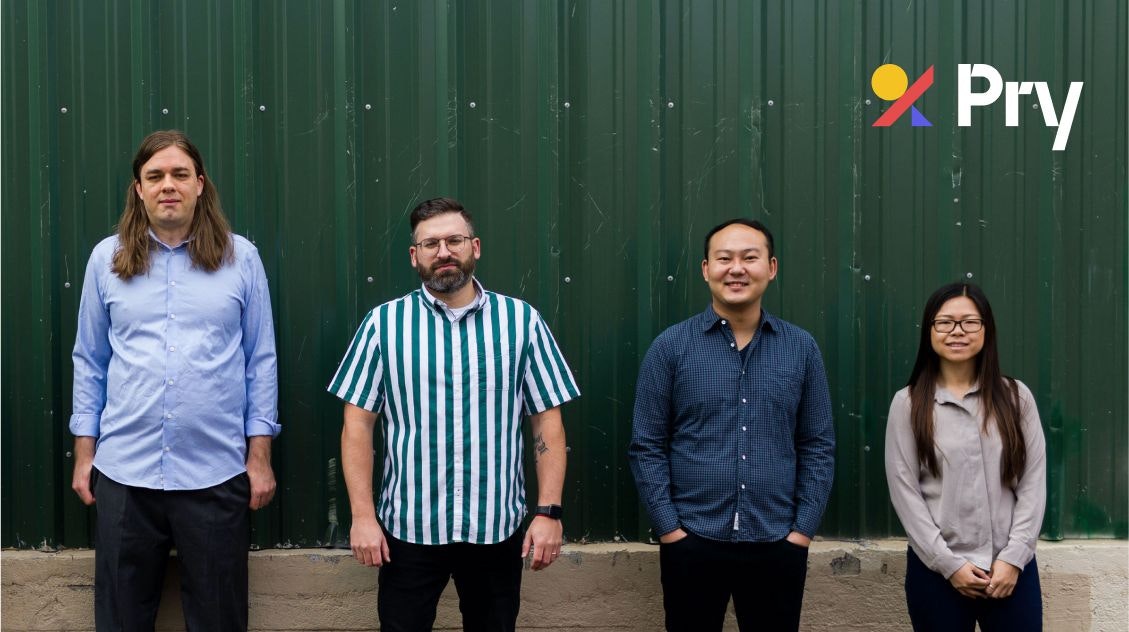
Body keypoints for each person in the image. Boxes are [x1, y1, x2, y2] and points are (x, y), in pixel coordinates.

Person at [329, 197, 580, 632]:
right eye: (430, 244)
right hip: (408, 530)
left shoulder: (521, 322)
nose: (443, 251)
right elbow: (357, 426)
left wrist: (548, 512)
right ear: (415, 256)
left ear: (475, 247)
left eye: (454, 240)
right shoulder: (382, 325)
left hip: (496, 528)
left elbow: (547, 422)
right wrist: (363, 517)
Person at [70, 130, 280, 631]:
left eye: (180, 174)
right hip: (124, 474)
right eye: (155, 176)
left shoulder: (240, 258)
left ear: (200, 185)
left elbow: (261, 361)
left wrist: (260, 456)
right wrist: (85, 455)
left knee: (218, 620)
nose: (169, 185)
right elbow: (90, 360)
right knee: (120, 620)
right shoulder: (106, 260)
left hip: (216, 473)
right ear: (138, 189)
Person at [629, 218, 835, 631]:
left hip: (777, 543)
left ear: (771, 267)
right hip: (693, 540)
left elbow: (818, 444)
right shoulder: (670, 347)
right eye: (724, 258)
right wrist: (671, 531)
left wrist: (802, 533)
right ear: (706, 269)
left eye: (749, 258)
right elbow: (646, 445)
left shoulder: (801, 348)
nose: (736, 268)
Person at [885, 282, 1046, 631]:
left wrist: (1014, 558)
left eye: (970, 322)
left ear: (986, 329)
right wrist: (948, 564)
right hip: (937, 572)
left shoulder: (1016, 398)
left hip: (1010, 571)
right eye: (945, 322)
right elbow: (905, 491)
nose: (957, 331)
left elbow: (1033, 484)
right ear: (930, 330)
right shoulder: (909, 404)